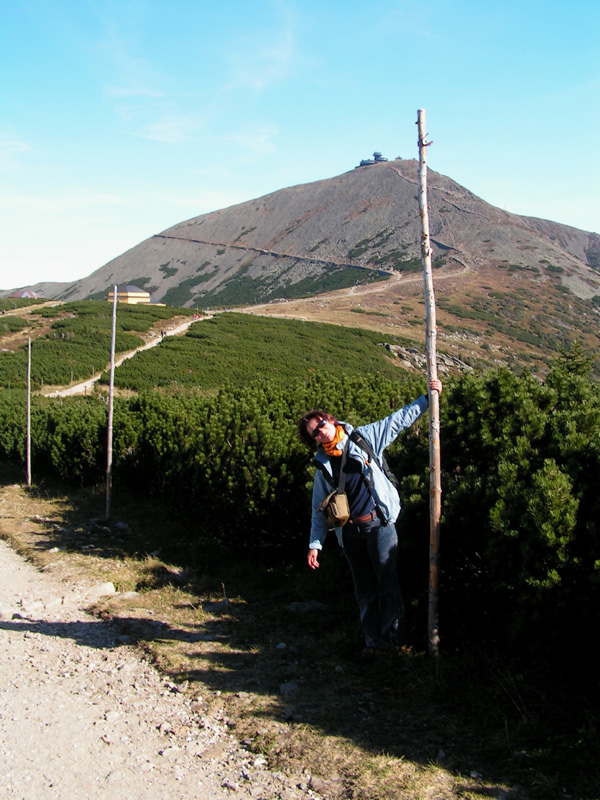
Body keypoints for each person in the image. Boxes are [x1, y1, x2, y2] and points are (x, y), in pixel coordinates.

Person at [298, 378, 442, 657]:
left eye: (321, 424)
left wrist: (428, 397)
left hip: (379, 525)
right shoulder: (322, 465)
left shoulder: (363, 438)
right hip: (349, 534)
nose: (321, 432)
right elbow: (319, 510)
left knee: (387, 583)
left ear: (331, 420)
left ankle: (393, 642)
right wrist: (315, 545)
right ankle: (373, 643)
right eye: (314, 433)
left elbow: (398, 420)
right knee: (364, 588)